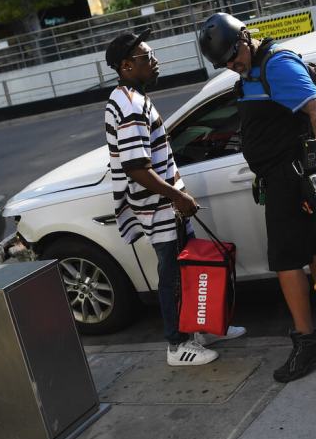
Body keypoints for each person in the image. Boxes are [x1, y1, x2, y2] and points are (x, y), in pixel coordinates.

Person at [197, 13, 316, 383]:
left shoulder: (277, 65)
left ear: (245, 38)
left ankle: (308, 338)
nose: (232, 66)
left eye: (234, 56)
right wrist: (260, 172)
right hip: (278, 176)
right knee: (314, 249)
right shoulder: (250, 73)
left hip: (290, 176)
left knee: (284, 260)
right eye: (225, 64)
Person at [103, 29, 245, 366]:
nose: (155, 62)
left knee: (186, 269)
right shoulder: (129, 105)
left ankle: (200, 327)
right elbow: (136, 167)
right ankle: (176, 344)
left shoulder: (134, 98)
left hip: (166, 204)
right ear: (126, 66)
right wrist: (176, 198)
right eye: (147, 58)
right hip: (158, 207)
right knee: (172, 275)